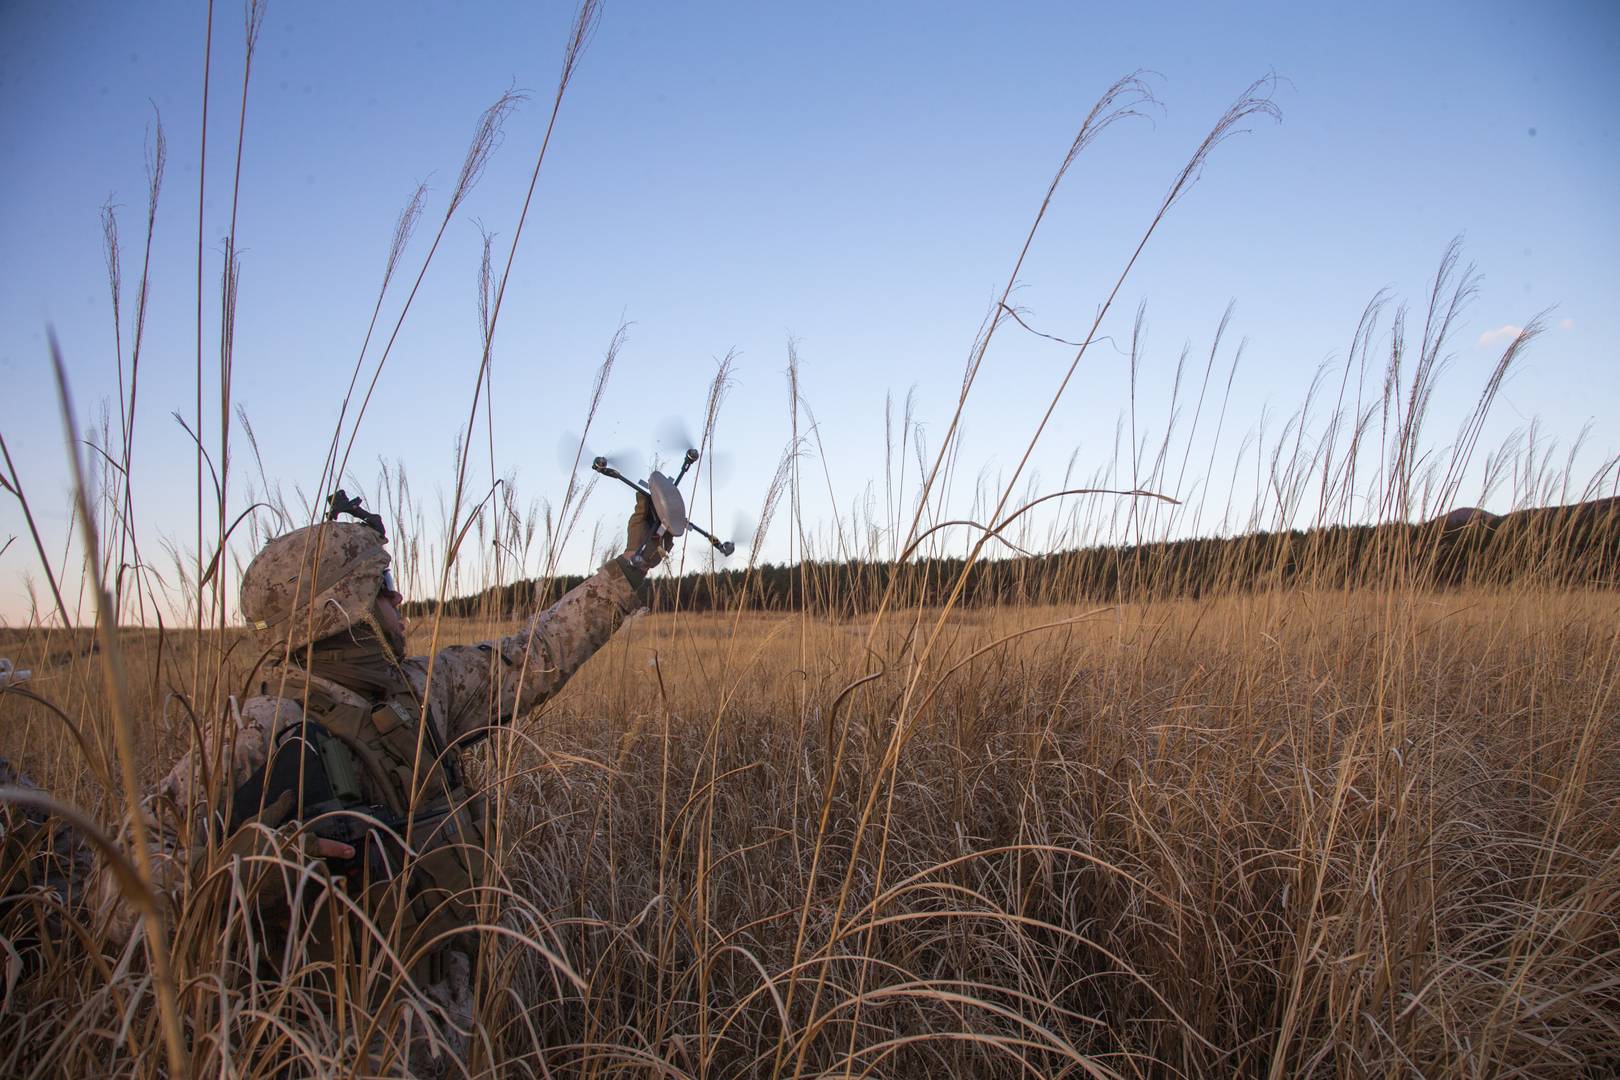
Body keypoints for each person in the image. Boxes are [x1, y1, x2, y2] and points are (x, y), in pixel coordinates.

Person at [114, 489, 671, 1074]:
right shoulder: (260, 730)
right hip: (333, 1049)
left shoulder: (416, 693)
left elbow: (532, 656)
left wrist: (632, 564)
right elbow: (121, 880)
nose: (398, 596)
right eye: (381, 585)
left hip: (448, 1025)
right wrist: (245, 872)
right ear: (341, 610)